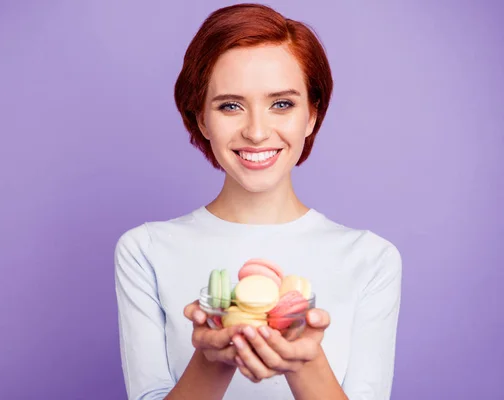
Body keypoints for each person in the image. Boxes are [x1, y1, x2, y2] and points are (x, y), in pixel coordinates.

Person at [113, 3, 402, 399]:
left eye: (281, 103)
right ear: (201, 118)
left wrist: (306, 362)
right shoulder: (144, 250)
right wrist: (212, 359)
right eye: (230, 105)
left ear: (312, 115)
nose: (256, 131)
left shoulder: (372, 259)